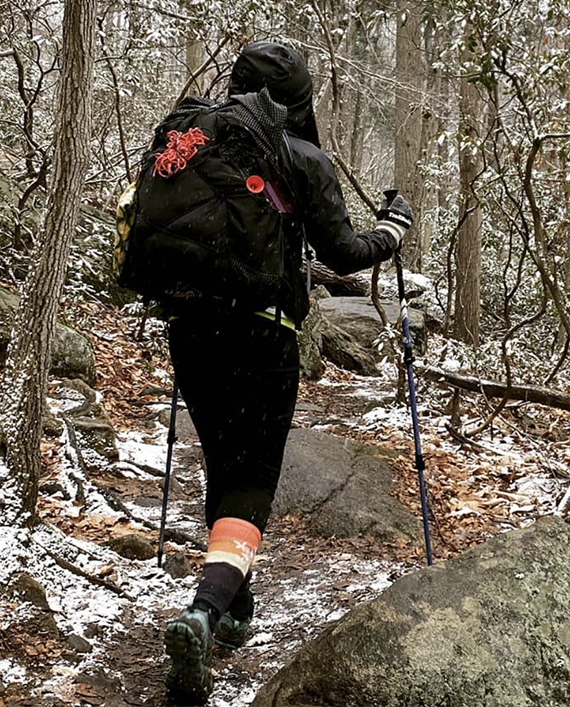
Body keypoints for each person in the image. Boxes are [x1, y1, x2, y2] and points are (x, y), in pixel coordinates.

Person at [162, 41, 413, 703]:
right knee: (250, 483)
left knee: (223, 459)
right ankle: (204, 611)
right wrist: (392, 230)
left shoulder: (188, 138)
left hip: (190, 333)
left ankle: (235, 608)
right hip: (262, 338)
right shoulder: (303, 160)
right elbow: (347, 252)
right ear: (299, 100)